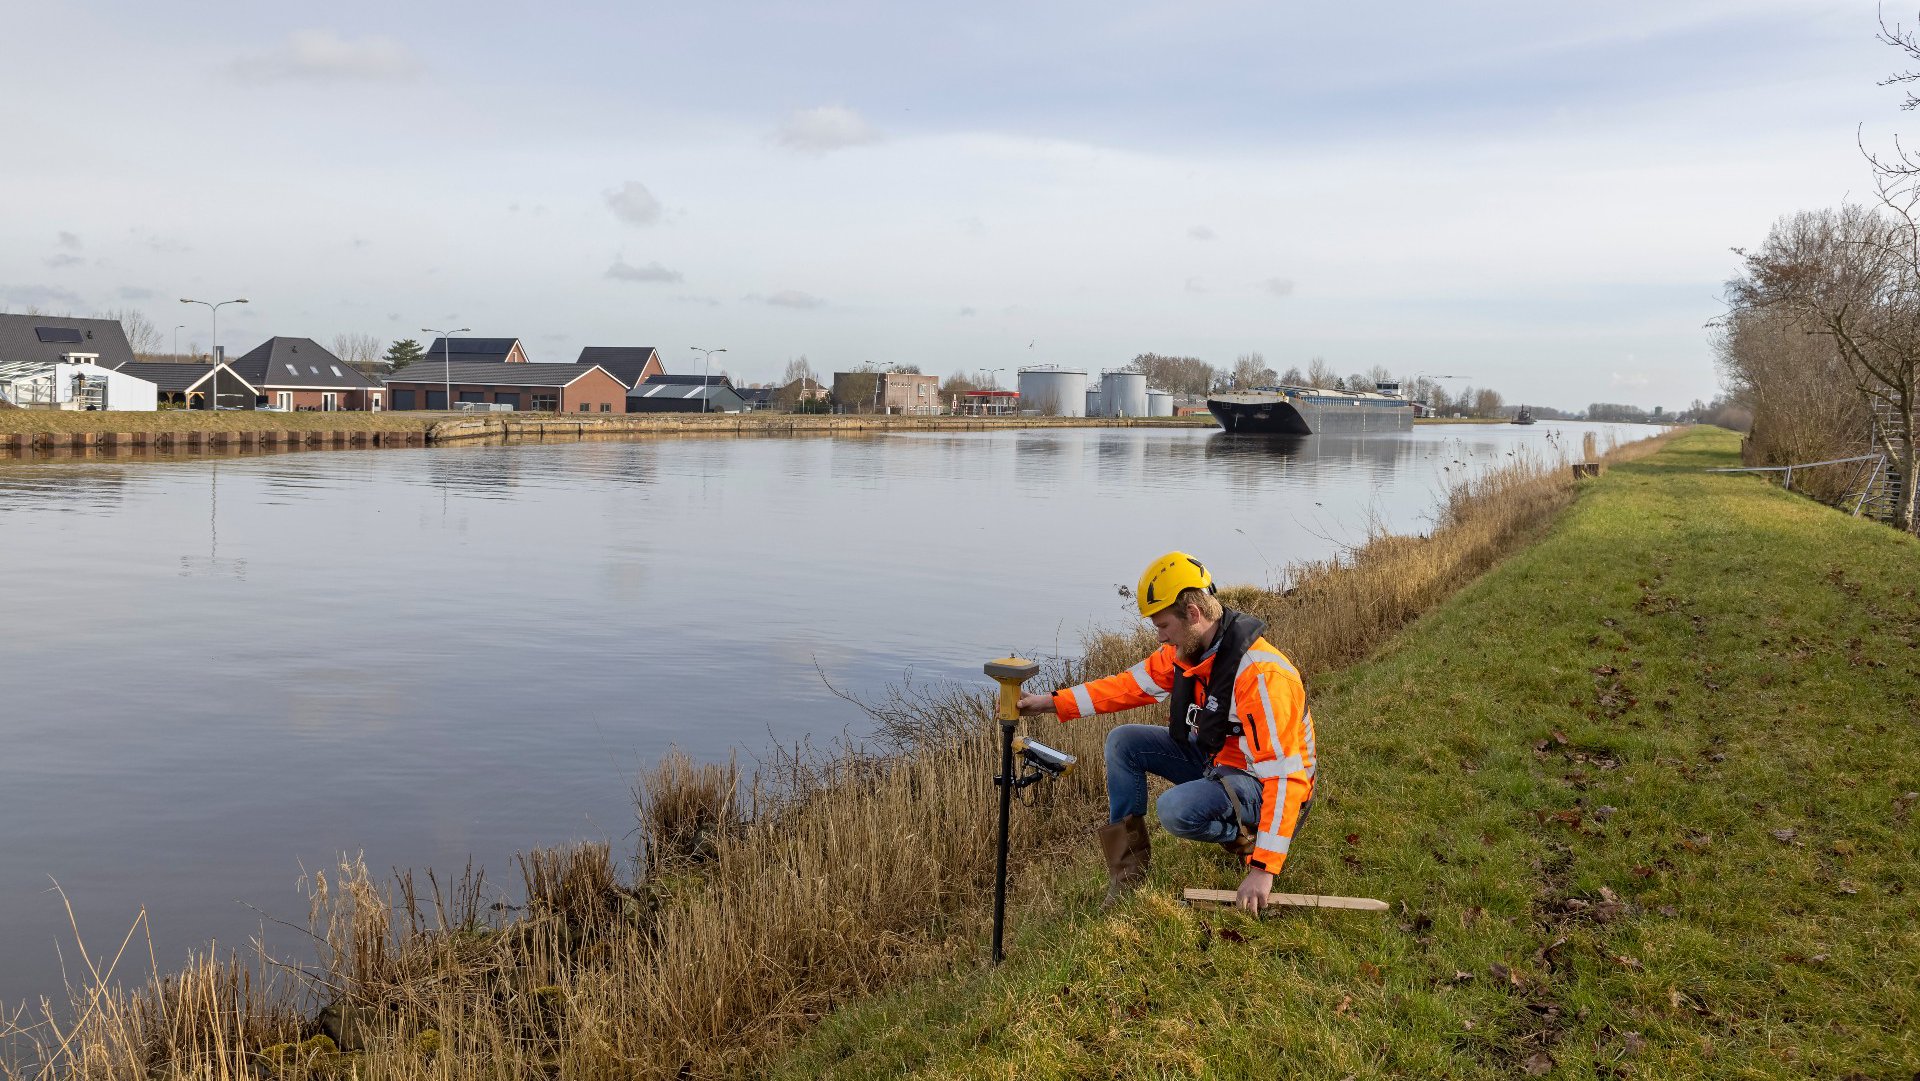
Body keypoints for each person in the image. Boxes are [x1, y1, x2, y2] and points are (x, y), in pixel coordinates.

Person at [1019, 552, 1317, 914]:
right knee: (1123, 741)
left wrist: (1263, 871)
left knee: (1174, 810)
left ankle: (1246, 839)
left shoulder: (1262, 677)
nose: (1159, 636)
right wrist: (1049, 703)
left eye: (1163, 626)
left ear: (1193, 614)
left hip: (1260, 782)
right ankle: (1127, 875)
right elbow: (1127, 686)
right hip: (1217, 761)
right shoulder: (1187, 650)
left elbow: (1286, 778)